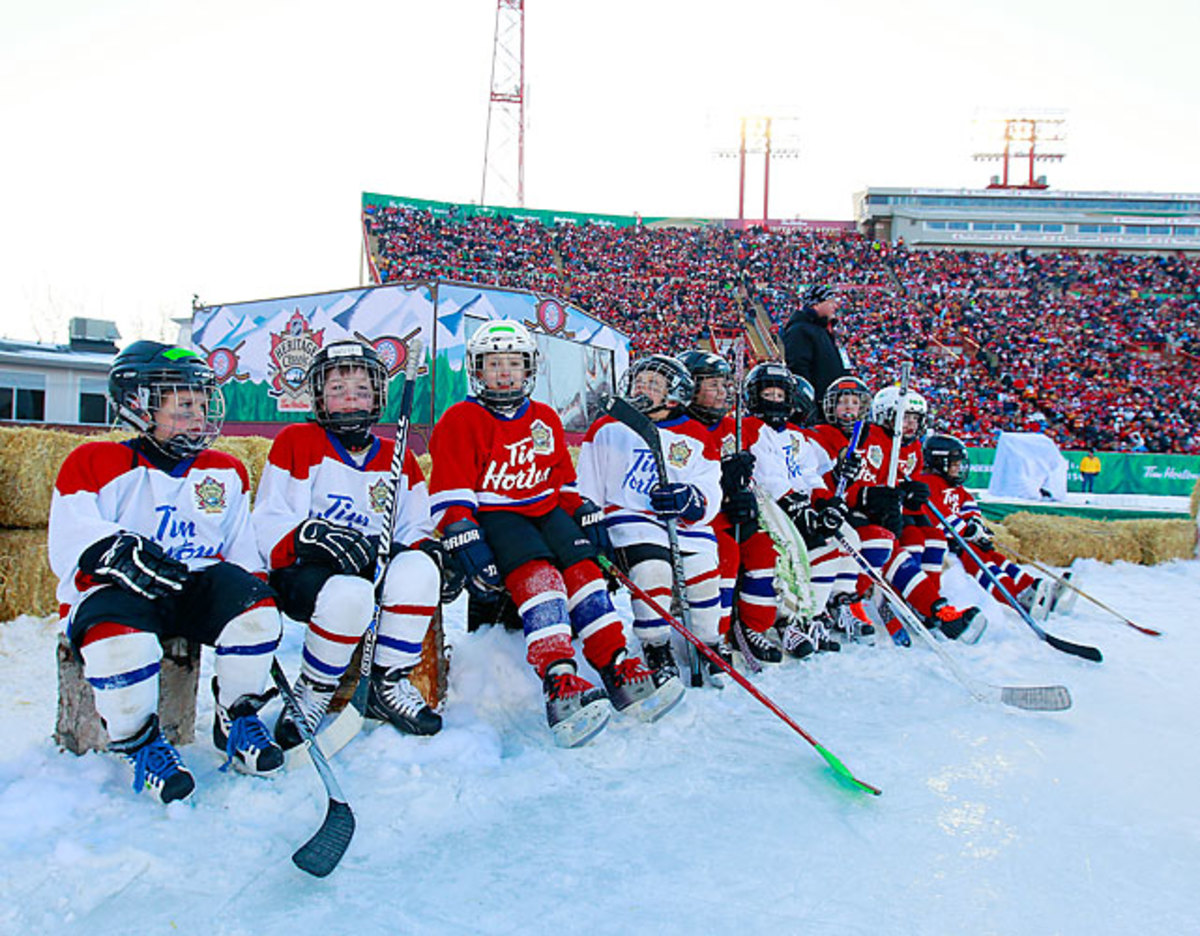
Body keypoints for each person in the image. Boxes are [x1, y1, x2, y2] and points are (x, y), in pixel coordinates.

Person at [48, 341, 285, 804]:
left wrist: (253, 591)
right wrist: (114, 551)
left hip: (194, 584)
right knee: (122, 647)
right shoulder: (93, 462)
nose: (197, 416)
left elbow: (239, 551)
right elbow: (69, 542)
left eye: (201, 404)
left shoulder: (228, 470)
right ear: (137, 405)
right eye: (182, 406)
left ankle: (236, 717)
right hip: (121, 593)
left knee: (257, 612)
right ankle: (139, 743)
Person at [428, 320, 680, 748]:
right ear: (477, 370)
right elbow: (451, 488)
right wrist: (461, 530)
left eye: (512, 363)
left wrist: (584, 511)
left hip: (546, 508)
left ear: (529, 369)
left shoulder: (544, 416)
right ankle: (560, 680)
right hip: (498, 512)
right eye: (493, 364)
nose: (504, 373)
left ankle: (616, 666)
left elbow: (562, 482)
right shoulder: (461, 417)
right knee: (540, 577)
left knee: (585, 571)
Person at [252, 339, 443, 749]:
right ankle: (315, 688)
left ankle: (388, 682)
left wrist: (426, 549)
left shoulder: (398, 456)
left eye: (360, 389)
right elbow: (268, 520)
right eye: (337, 390)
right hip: (308, 575)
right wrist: (311, 536)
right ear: (320, 397)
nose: (349, 398)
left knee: (420, 568)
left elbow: (415, 527)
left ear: (377, 396)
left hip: (369, 566)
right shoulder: (296, 442)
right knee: (350, 593)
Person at [576, 354, 726, 685]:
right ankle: (656, 645)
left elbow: (708, 486)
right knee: (652, 570)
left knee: (703, 573)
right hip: (629, 521)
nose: (641, 388)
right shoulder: (608, 427)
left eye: (653, 384)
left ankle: (706, 643)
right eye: (638, 382)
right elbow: (587, 484)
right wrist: (591, 518)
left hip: (683, 528)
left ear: (675, 395)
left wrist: (690, 499)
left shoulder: (696, 434)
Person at [917, 435, 1052, 615]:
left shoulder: (954, 486)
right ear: (939, 462)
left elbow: (969, 504)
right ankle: (1012, 594)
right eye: (954, 464)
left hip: (959, 538)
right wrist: (969, 531)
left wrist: (975, 522)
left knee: (991, 554)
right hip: (944, 540)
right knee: (978, 560)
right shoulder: (928, 483)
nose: (959, 469)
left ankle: (1029, 585)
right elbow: (939, 516)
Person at [780, 283, 851, 402]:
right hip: (817, 404)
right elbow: (799, 368)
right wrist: (809, 399)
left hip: (831, 401)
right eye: (830, 302)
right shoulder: (800, 330)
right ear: (816, 305)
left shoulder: (822, 330)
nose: (835, 306)